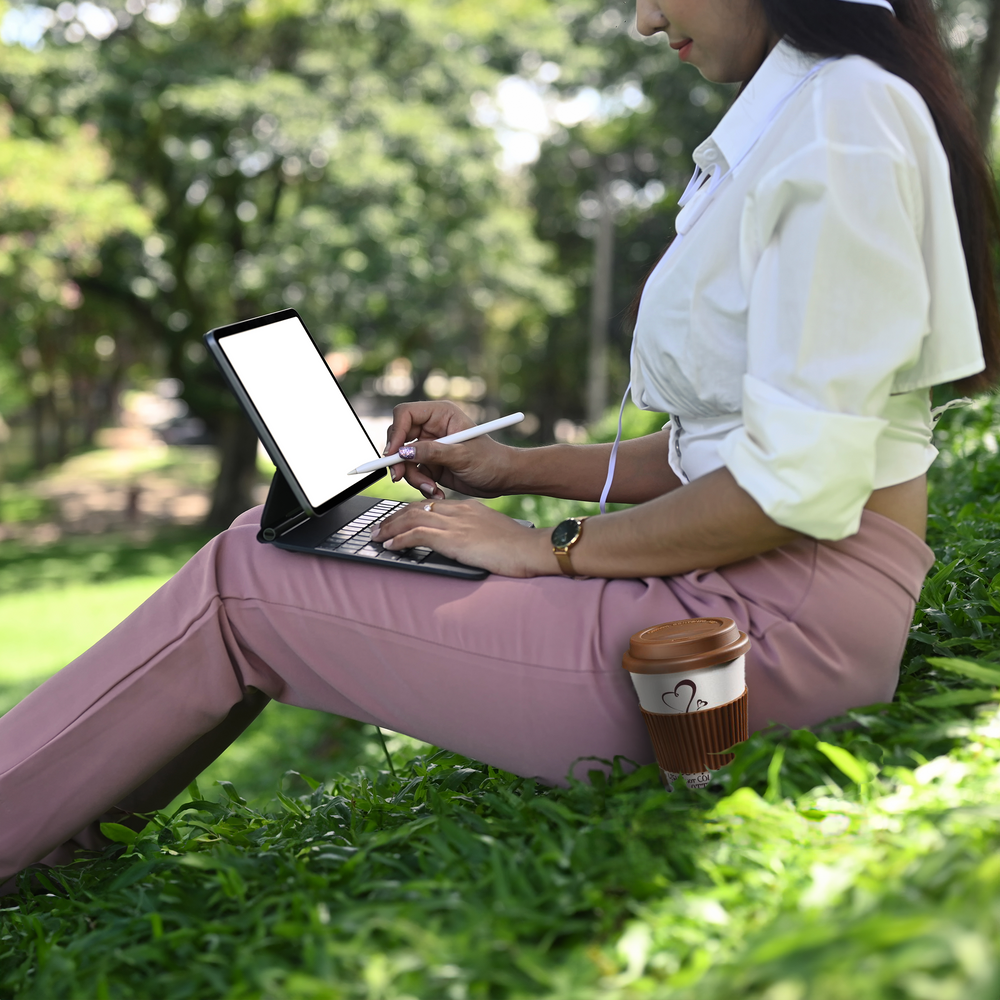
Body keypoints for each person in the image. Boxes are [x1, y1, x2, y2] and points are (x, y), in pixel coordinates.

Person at [1, 0, 998, 889]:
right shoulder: (827, 109)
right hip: (756, 606)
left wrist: (546, 547)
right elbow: (724, 452)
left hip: (750, 649)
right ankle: (59, 835)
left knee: (239, 584)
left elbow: (786, 490)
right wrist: (510, 470)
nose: (646, 22)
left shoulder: (840, 119)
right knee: (263, 550)